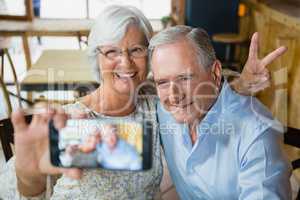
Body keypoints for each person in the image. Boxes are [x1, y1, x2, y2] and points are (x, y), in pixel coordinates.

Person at [0, 5, 284, 200]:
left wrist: (241, 86)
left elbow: (197, 96)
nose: (124, 62)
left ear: (149, 58)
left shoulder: (155, 109)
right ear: (95, 58)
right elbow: (29, 184)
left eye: (136, 49)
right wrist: (29, 176)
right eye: (111, 51)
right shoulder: (74, 121)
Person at [149, 25, 291, 199]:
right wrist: (240, 84)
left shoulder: (257, 136)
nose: (173, 96)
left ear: (215, 74)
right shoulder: (163, 112)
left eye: (184, 78)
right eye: (162, 82)